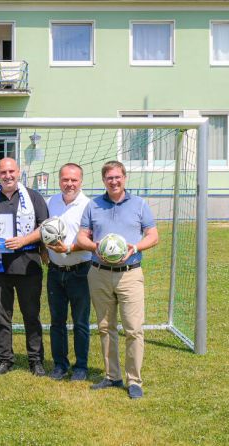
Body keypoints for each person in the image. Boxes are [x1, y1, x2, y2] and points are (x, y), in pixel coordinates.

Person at [77, 160, 159, 399]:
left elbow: (153, 235)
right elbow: (81, 237)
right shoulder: (93, 205)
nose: (114, 181)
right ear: (104, 180)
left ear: (124, 178)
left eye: (117, 177)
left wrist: (135, 247)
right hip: (99, 273)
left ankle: (134, 381)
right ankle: (112, 376)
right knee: (105, 327)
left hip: (129, 274)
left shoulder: (139, 204)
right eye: (109, 178)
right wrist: (95, 247)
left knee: (133, 329)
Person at [0, 157, 49, 377]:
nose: (7, 175)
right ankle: (4, 359)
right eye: (3, 172)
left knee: (31, 315)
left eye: (11, 171)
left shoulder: (33, 197)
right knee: (2, 316)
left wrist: (24, 240)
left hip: (28, 265)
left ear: (18, 172)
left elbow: (45, 227)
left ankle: (35, 360)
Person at [44, 163, 92, 381]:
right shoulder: (51, 202)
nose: (69, 184)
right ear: (59, 180)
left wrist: (70, 248)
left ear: (81, 181)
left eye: (74, 180)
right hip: (55, 272)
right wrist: (42, 251)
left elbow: (93, 240)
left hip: (81, 271)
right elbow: (43, 230)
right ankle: (60, 365)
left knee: (80, 321)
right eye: (65, 179)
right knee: (57, 321)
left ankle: (81, 366)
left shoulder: (89, 205)